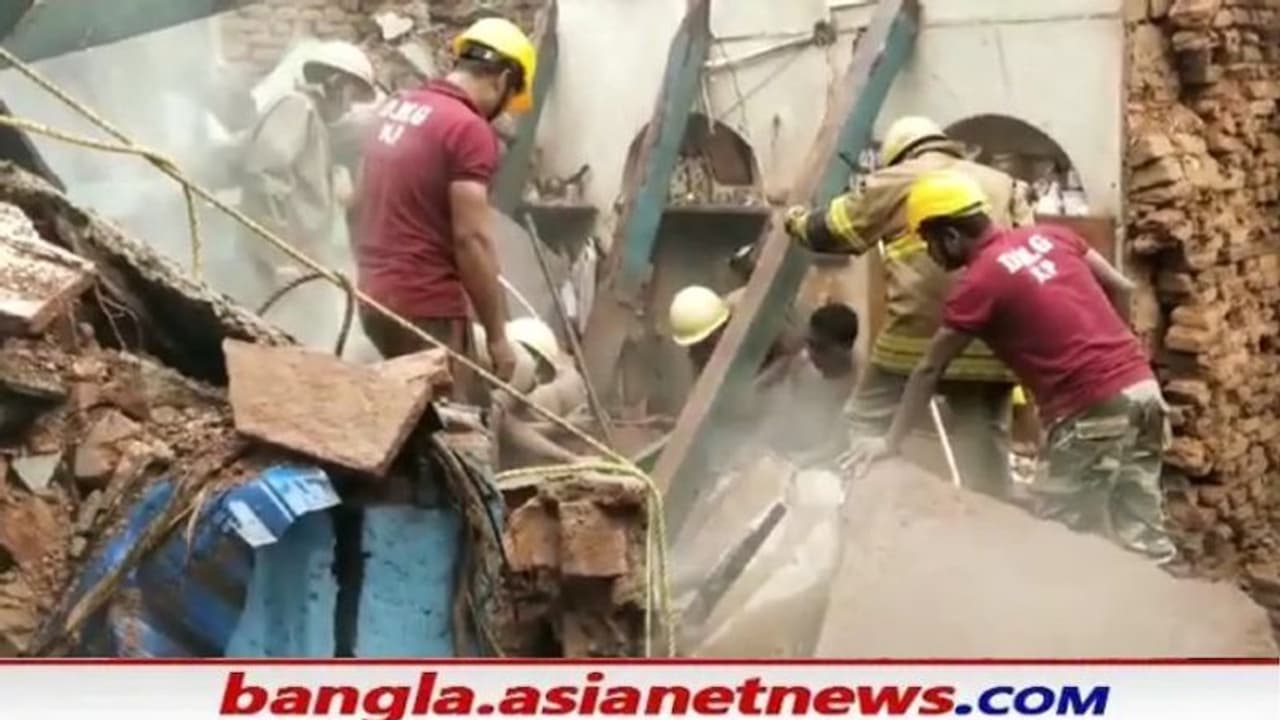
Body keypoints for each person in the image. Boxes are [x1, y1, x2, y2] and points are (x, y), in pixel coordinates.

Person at [844, 170, 1176, 563]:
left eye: (928, 243)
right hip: (1143, 391)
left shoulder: (979, 283)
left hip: (1089, 410)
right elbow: (1120, 286)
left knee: (1061, 541)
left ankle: (1072, 623)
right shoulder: (1052, 236)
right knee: (1142, 531)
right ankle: (1158, 616)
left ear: (950, 237)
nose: (930, 255)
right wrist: (1122, 355)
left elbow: (929, 369)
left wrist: (889, 441)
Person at [782, 115, 1035, 502]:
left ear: (899, 155)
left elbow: (832, 231)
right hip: (992, 341)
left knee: (864, 418)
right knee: (984, 452)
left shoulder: (895, 179)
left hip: (915, 338)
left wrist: (794, 219)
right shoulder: (1003, 184)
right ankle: (991, 531)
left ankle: (858, 504)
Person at [354, 17, 536, 389]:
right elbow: (472, 240)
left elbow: (355, 203)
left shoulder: (394, 107)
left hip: (373, 300)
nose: (500, 114)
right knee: (455, 433)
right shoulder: (468, 129)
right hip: (426, 311)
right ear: (502, 80)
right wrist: (498, 337)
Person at [239, 40, 376, 297]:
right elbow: (265, 178)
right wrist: (278, 259)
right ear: (335, 83)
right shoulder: (296, 108)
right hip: (280, 264)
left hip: (301, 257)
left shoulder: (312, 117)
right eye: (351, 96)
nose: (349, 108)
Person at [754, 303, 860, 459]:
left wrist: (796, 462)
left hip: (812, 461)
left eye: (821, 348)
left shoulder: (854, 385)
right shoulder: (801, 360)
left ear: (845, 348)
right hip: (777, 445)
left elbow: (838, 444)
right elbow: (756, 392)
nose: (811, 353)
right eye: (809, 343)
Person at [487, 317, 590, 468]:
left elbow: (506, 425)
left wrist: (569, 458)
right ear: (538, 359)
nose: (536, 383)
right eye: (542, 374)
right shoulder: (524, 363)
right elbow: (492, 424)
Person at [668, 285, 799, 375]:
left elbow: (795, 346)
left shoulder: (756, 309)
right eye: (699, 345)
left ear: (722, 325)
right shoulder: (700, 354)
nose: (704, 350)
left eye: (708, 341)